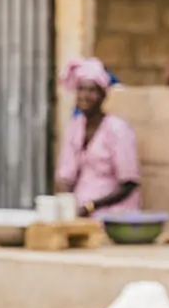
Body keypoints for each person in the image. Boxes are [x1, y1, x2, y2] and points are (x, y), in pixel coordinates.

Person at [55, 57, 141, 218]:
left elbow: (129, 183)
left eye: (92, 90)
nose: (85, 96)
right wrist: (66, 201)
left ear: (103, 95)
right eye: (81, 89)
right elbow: (65, 175)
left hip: (113, 213)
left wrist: (90, 206)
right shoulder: (75, 126)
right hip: (80, 212)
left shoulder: (118, 129)